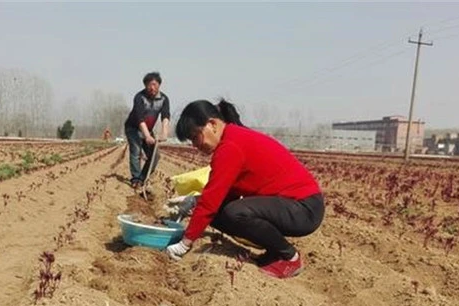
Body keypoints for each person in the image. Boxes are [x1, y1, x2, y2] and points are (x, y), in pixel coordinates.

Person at [165, 99, 324, 279]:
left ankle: (290, 257)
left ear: (212, 124)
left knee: (235, 212)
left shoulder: (230, 147)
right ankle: (274, 252)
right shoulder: (232, 139)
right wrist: (195, 202)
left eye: (196, 136)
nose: (195, 145)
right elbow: (221, 195)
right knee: (220, 213)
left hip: (304, 208)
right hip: (290, 206)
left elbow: (211, 201)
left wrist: (185, 244)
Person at [124, 71, 170, 188]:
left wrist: (164, 133)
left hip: (148, 129)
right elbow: (139, 118)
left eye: (154, 84)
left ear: (159, 85)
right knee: (136, 151)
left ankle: (142, 178)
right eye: (149, 85)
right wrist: (147, 136)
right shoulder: (139, 97)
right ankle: (135, 179)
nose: (152, 87)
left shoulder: (164, 99)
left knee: (155, 155)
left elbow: (165, 116)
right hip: (133, 128)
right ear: (145, 86)